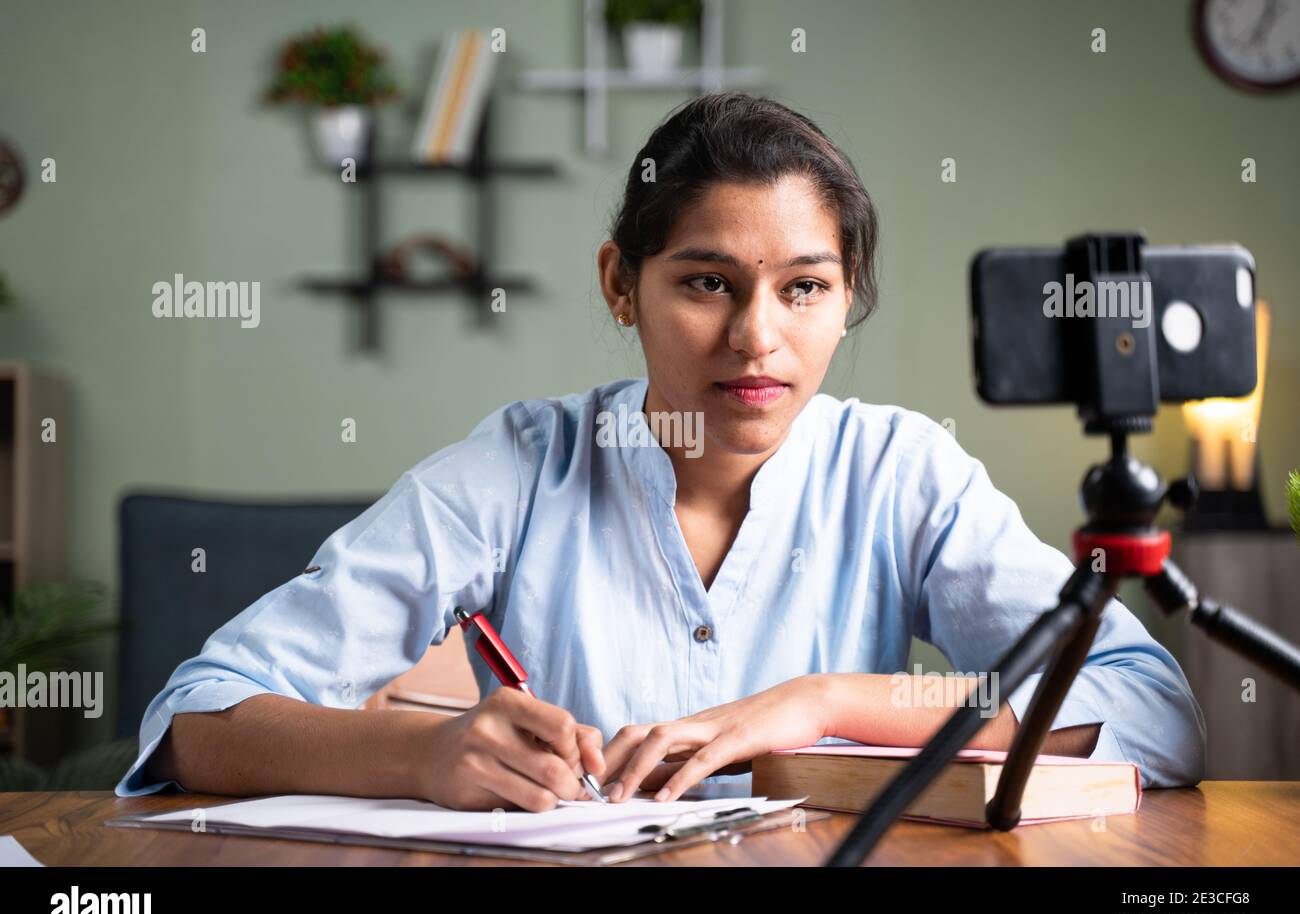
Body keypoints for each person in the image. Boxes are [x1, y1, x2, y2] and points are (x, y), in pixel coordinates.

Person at [115, 92, 1205, 810]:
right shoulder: (521, 466)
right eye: (704, 282)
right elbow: (198, 713)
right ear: (616, 283)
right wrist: (421, 754)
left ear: (843, 301)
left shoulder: (902, 472)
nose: (755, 337)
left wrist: (822, 702)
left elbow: (1150, 708)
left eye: (804, 287)